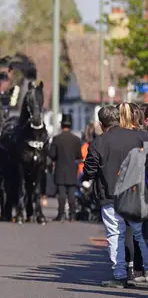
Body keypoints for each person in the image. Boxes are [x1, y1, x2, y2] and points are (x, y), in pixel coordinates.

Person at [81, 105, 148, 288]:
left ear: (102, 124)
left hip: (110, 195)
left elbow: (89, 170)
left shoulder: (99, 142)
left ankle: (119, 275)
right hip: (137, 194)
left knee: (115, 235)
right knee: (141, 235)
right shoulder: (140, 137)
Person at [48, 114, 82, 222]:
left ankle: (61, 214)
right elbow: (78, 155)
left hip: (60, 168)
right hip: (72, 168)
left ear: (61, 125)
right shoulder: (76, 139)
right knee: (71, 193)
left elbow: (52, 155)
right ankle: (72, 215)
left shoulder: (57, 139)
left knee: (61, 193)